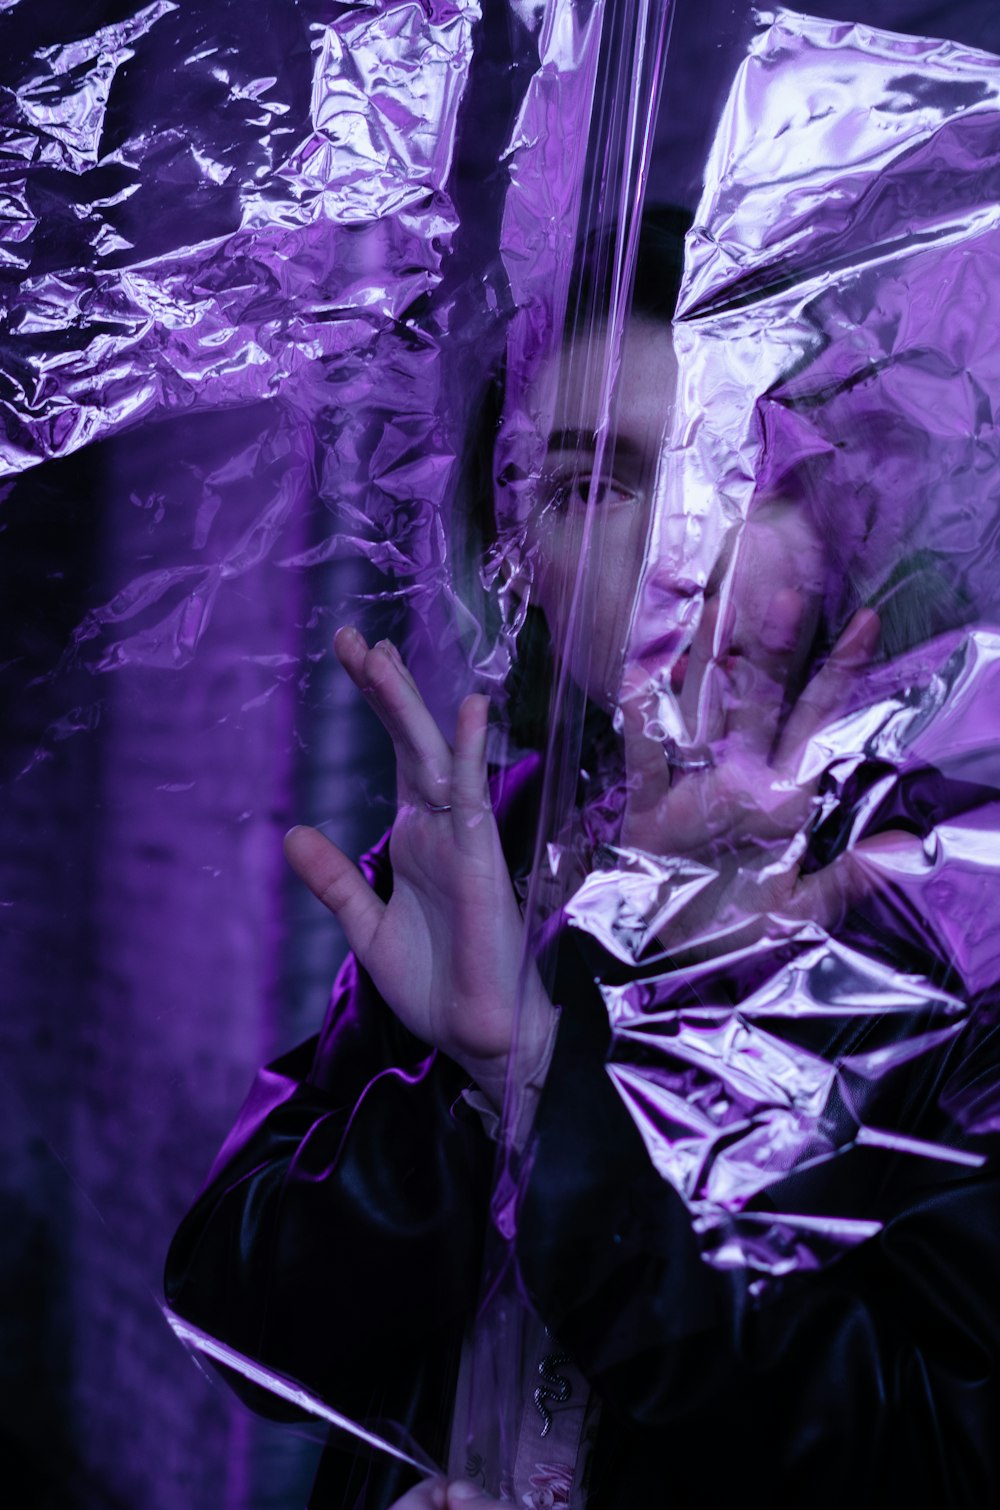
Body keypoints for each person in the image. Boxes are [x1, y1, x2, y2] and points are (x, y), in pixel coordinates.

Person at [165, 211, 1000, 1509]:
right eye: (592, 484)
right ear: (518, 562)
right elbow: (244, 1307)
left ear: (828, 508)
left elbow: (935, 1461)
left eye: (732, 456)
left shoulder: (947, 898)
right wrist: (563, 989)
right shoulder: (489, 849)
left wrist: (574, 1066)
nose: (676, 540)